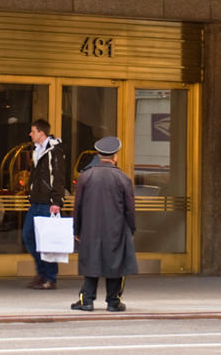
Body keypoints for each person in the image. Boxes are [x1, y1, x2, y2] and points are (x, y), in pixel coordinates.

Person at [70, 136, 137, 313]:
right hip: (116, 227)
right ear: (115, 156)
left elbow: (77, 206)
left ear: (99, 154)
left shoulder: (86, 176)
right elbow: (130, 208)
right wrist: (131, 228)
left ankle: (87, 300)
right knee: (116, 263)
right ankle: (113, 301)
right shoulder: (123, 178)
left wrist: (76, 229)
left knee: (91, 261)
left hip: (90, 228)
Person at [23, 118, 68, 290]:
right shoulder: (38, 150)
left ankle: (49, 278)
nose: (30, 134)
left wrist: (57, 201)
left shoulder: (54, 151)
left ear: (41, 133)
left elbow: (59, 176)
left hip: (48, 203)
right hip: (36, 202)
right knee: (29, 236)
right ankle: (42, 273)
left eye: (33, 131)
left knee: (47, 241)